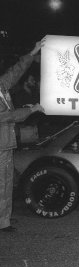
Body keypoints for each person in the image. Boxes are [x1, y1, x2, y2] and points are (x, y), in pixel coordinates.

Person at [0, 40, 45, 232]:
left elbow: (15, 72)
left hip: (5, 145)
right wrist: (32, 109)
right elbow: (7, 116)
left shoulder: (1, 86)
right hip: (1, 146)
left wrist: (33, 50)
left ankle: (4, 221)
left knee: (6, 183)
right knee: (2, 184)